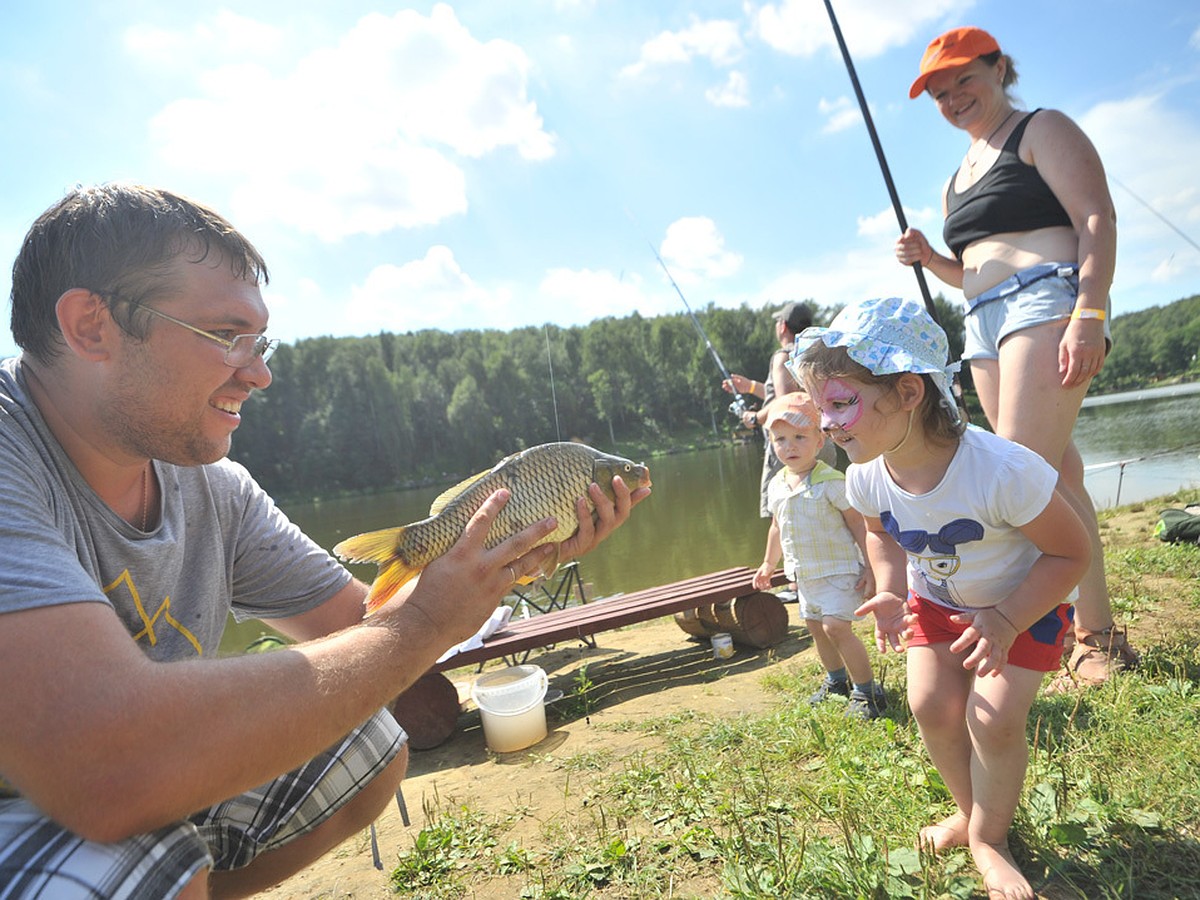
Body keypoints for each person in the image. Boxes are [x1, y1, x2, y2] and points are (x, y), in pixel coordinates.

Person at [0, 183, 649, 899]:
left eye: (261, 342)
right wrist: (426, 622)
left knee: (368, 748)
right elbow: (100, 765)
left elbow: (363, 628)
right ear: (92, 327)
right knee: (142, 867)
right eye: (225, 336)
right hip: (51, 788)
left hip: (111, 783)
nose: (259, 372)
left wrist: (504, 564)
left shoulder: (214, 488)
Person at [790, 296, 1090, 900]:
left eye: (840, 403)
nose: (826, 423)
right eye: (822, 408)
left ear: (908, 393)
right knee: (929, 703)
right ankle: (970, 811)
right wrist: (891, 589)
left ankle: (992, 839)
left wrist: (1005, 619)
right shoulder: (866, 472)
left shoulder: (1003, 471)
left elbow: (1071, 553)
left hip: (1020, 606)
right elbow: (881, 534)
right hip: (935, 603)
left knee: (995, 718)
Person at [894, 25, 1136, 687]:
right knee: (1053, 472)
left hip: (1047, 300)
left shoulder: (1041, 128)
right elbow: (969, 269)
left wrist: (1090, 311)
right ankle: (1100, 630)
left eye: (964, 80)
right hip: (982, 323)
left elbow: (1095, 218)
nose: (953, 98)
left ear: (999, 68)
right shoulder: (956, 178)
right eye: (940, 93)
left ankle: (1058, 638)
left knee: (1022, 477)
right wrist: (932, 261)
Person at [750, 392, 885, 719]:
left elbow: (858, 524)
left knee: (836, 627)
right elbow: (776, 527)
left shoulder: (831, 481)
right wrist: (769, 563)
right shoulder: (778, 485)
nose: (790, 446)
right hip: (804, 575)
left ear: (820, 438)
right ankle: (836, 680)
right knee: (815, 627)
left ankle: (866, 690)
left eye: (799, 437)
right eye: (780, 439)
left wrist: (871, 566)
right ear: (771, 444)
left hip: (839, 571)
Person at [722, 301, 834, 518]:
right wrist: (752, 387)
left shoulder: (783, 356)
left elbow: (787, 404)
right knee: (824, 511)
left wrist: (755, 418)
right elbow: (799, 397)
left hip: (790, 446)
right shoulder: (814, 354)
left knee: (782, 515)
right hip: (819, 442)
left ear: (782, 326)